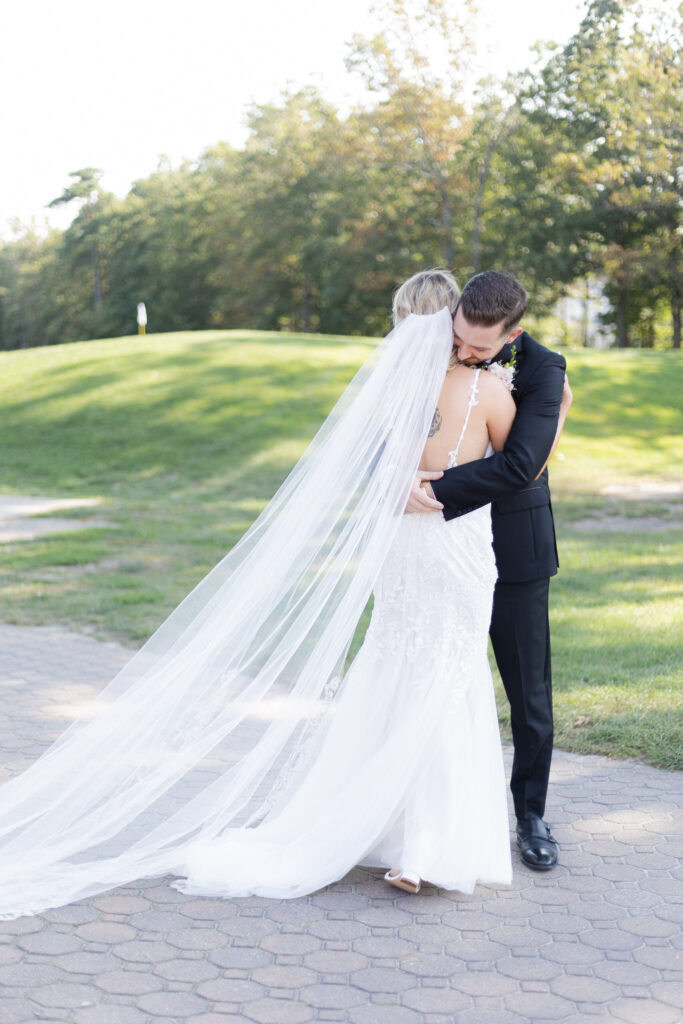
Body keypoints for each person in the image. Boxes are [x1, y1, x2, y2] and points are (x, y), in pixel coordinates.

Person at [0, 270, 515, 920]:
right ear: (456, 322)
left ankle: (367, 826)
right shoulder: (490, 392)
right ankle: (425, 847)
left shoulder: (387, 387)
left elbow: (377, 467)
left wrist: (410, 481)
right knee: (447, 678)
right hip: (457, 547)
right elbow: (517, 468)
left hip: (401, 546)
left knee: (391, 670)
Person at [407, 270, 573, 871]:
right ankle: (425, 816)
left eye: (481, 347)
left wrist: (432, 488)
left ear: (513, 333)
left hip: (514, 546)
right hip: (439, 548)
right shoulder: (437, 352)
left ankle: (531, 815)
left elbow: (521, 464)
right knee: (432, 673)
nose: (465, 352)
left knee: (528, 692)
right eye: (460, 338)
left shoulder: (544, 370)